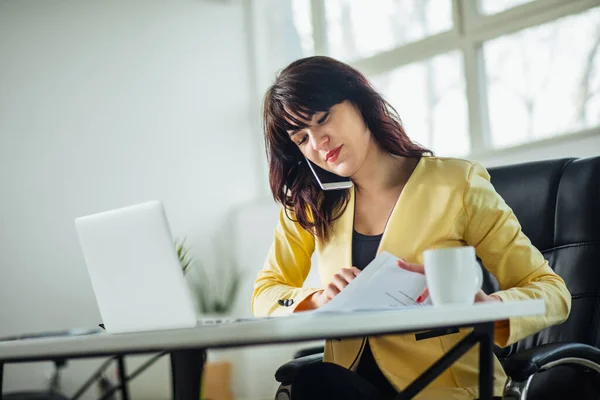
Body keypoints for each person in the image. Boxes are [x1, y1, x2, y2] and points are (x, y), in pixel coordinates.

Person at [251, 56, 571, 400]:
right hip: (348, 387)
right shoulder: (312, 205)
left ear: (359, 101)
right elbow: (266, 292)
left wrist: (488, 309)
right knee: (314, 381)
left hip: (444, 387)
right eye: (302, 138)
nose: (318, 143)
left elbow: (552, 291)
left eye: (323, 119)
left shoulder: (456, 184)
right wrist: (318, 299)